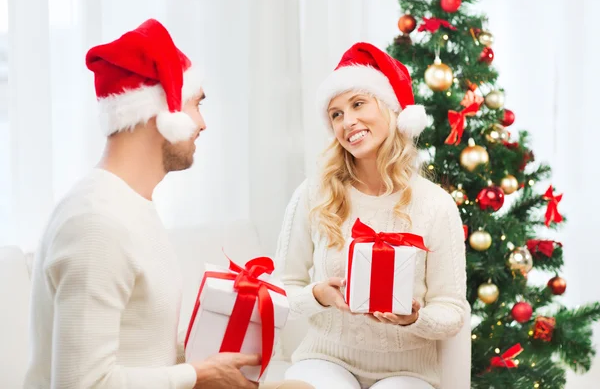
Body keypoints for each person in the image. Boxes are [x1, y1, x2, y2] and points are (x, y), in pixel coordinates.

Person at [24, 19, 312, 389]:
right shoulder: (96, 222)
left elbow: (137, 345)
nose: (203, 123)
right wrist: (198, 375)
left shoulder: (129, 205)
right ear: (162, 114)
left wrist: (202, 353)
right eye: (196, 104)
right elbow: (81, 384)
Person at [274, 42, 469, 389]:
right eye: (336, 113)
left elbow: (452, 310)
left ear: (392, 110)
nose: (348, 121)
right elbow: (277, 288)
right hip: (326, 358)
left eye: (358, 104)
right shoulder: (314, 194)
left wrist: (414, 319)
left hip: (407, 372)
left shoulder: (436, 205)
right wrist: (317, 295)